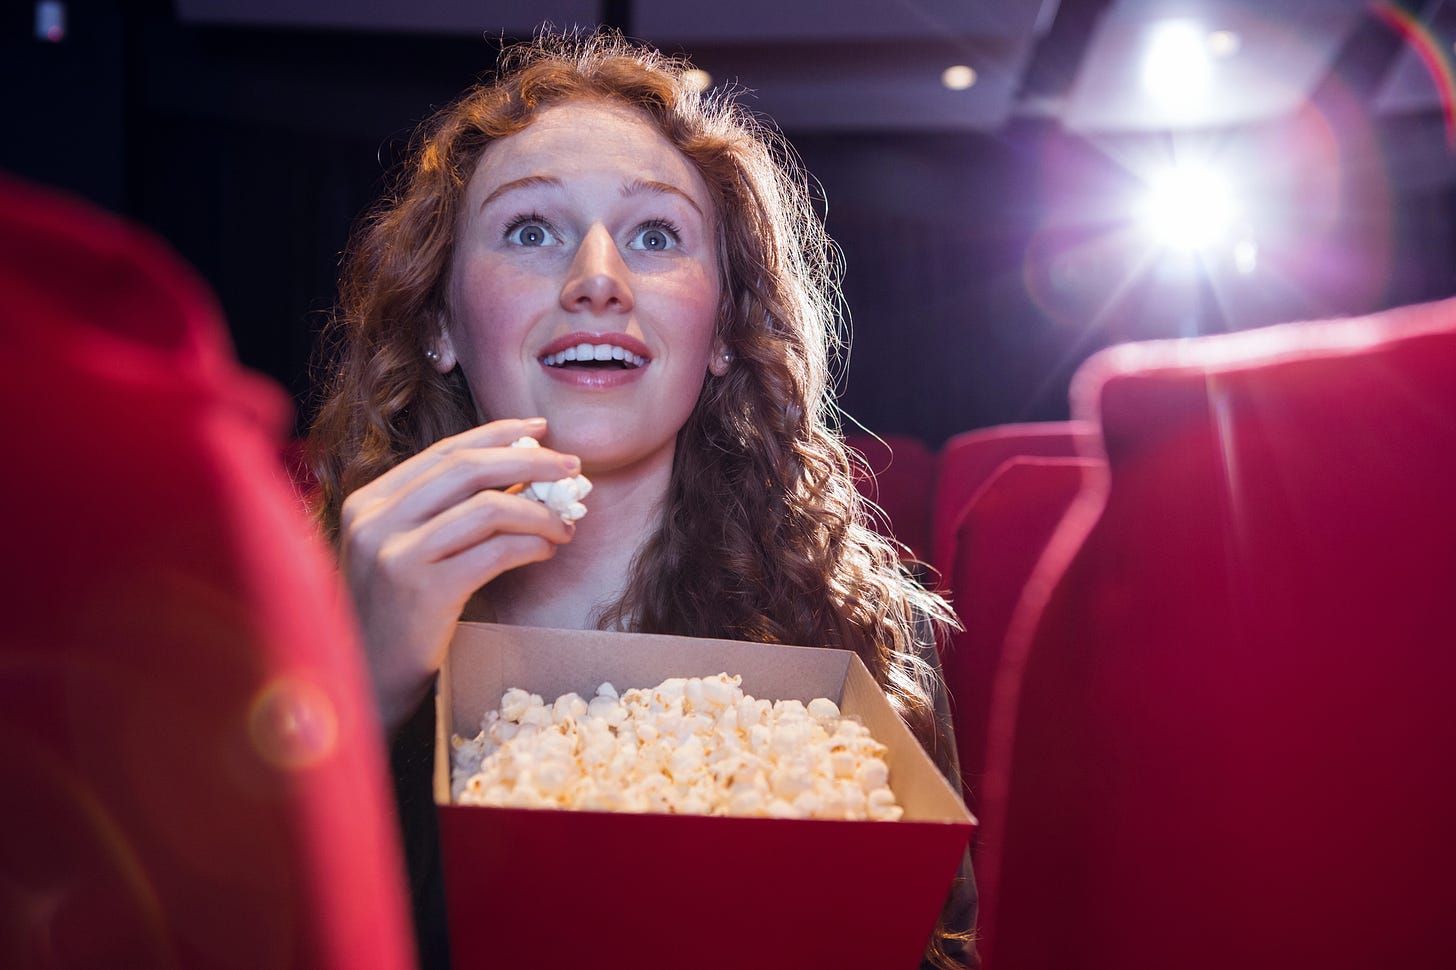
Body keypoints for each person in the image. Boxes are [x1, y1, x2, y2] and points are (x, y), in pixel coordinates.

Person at [307, 28, 977, 970]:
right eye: (530, 230)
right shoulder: (300, 612)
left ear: (720, 332)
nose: (596, 280)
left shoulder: (865, 629)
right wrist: (354, 692)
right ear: (439, 324)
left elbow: (941, 947)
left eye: (654, 235)